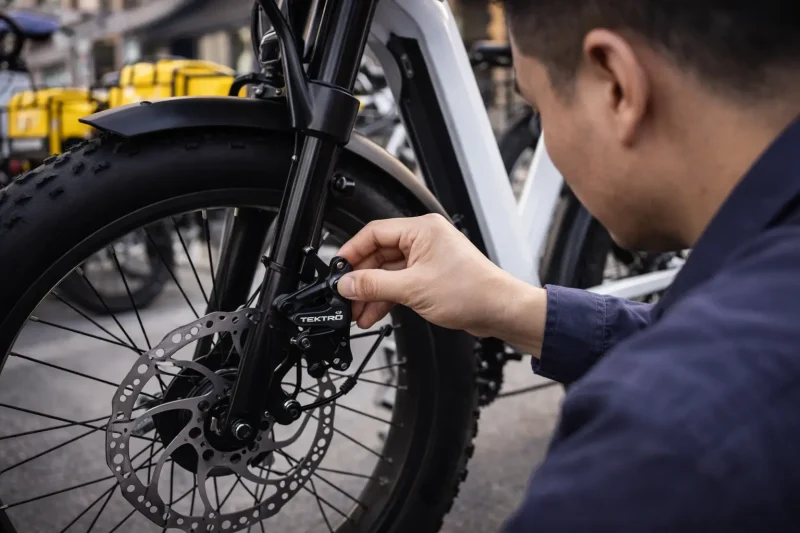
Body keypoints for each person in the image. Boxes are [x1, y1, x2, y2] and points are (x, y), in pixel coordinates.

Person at [334, 1, 800, 531]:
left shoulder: (658, 454)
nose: (546, 142)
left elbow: (706, 388)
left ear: (616, 87)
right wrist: (514, 307)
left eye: (539, 110)